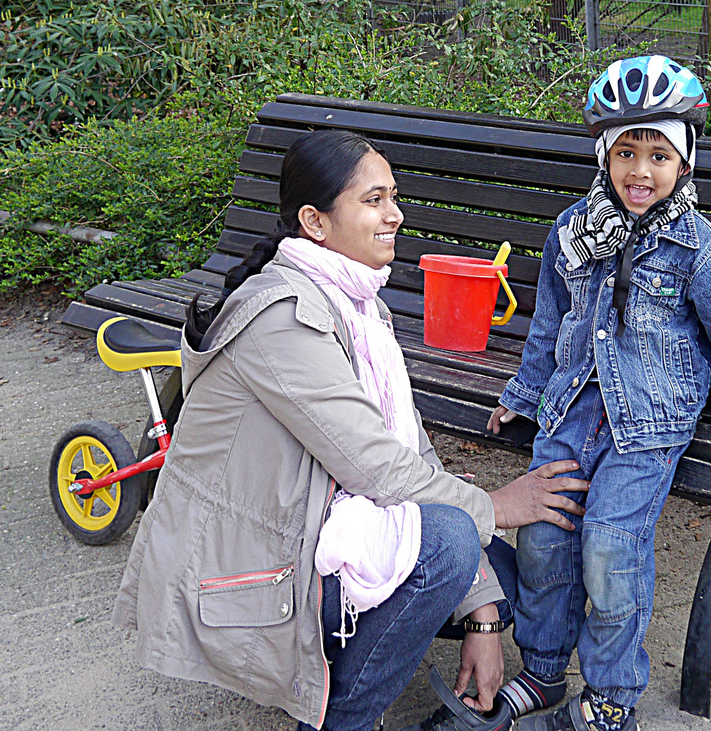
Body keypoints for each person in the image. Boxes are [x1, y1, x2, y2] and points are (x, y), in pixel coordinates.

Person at [110, 128, 590, 731]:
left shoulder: (360, 308)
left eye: (393, 196)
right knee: (450, 542)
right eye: (373, 201)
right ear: (315, 221)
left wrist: (484, 617)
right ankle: (347, 718)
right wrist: (497, 503)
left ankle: (360, 656)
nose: (395, 214)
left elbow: (410, 452)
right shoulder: (285, 317)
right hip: (248, 574)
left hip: (321, 525)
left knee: (500, 576)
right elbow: (377, 466)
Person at [474, 55, 711, 731]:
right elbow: (550, 317)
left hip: (648, 422)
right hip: (572, 411)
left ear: (684, 162)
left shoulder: (700, 245)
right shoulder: (572, 232)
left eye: (658, 154)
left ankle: (609, 700)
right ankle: (543, 672)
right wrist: (525, 390)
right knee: (544, 541)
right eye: (626, 151)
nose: (640, 170)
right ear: (604, 156)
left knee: (609, 548)